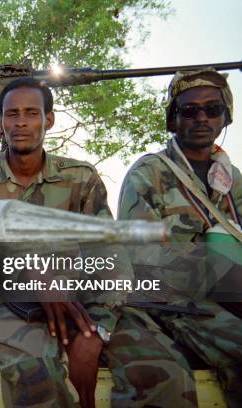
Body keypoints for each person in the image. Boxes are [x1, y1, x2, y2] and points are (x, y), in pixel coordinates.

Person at [0, 77, 195, 407]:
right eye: (11, 114)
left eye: (31, 112)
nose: (21, 122)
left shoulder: (80, 178)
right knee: (37, 372)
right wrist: (31, 276)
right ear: (0, 122)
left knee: (167, 373)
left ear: (48, 120)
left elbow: (109, 253)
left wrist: (98, 328)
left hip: (79, 297)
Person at [118, 68, 242, 406]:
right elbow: (141, 260)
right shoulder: (148, 174)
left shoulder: (232, 179)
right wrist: (222, 277)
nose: (202, 117)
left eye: (213, 109)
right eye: (189, 110)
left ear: (225, 116)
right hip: (167, 301)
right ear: (173, 120)